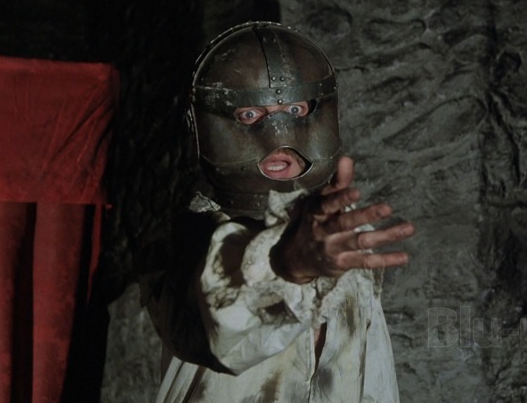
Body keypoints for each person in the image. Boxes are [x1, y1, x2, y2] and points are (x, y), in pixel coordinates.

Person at [140, 21, 415, 403]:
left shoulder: (338, 234)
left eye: (296, 109)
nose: (280, 136)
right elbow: (224, 334)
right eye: (251, 114)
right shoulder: (181, 240)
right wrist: (287, 266)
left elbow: (372, 376)